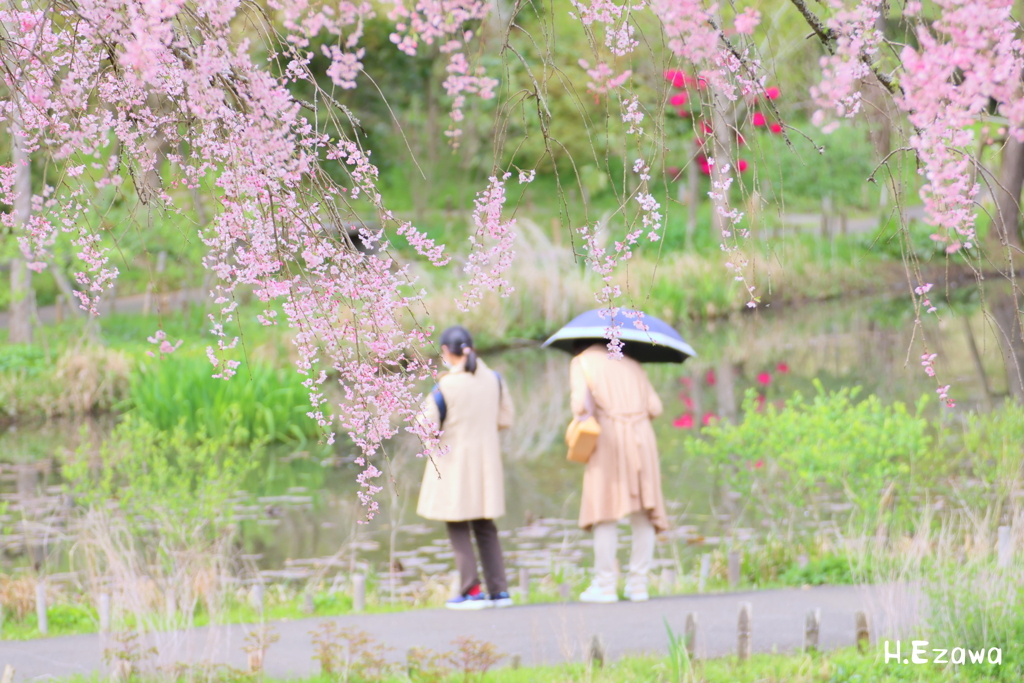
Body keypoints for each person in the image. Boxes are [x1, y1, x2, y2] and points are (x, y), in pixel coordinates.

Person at [416, 326, 515, 610]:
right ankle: (499, 591)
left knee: (458, 524)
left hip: (454, 464)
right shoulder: (494, 380)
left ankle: (471, 589)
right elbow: (506, 418)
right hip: (486, 464)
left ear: (446, 352)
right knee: (486, 526)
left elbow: (425, 426)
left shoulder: (446, 386)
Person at [570, 341, 668, 603]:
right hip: (641, 437)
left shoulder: (582, 362)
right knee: (644, 511)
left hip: (608, 437)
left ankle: (606, 585)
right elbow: (656, 408)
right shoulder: (633, 363)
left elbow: (580, 406)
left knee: (604, 511)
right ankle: (638, 585)